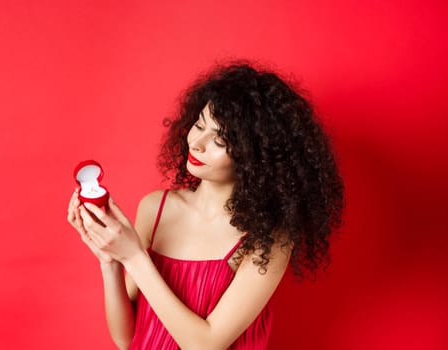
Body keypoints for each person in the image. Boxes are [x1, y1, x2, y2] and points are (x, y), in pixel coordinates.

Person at [67, 61, 344, 349]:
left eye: (219, 140)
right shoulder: (155, 208)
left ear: (256, 157)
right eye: (199, 125)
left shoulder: (269, 240)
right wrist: (110, 260)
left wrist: (134, 257)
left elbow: (206, 345)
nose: (197, 144)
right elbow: (126, 339)